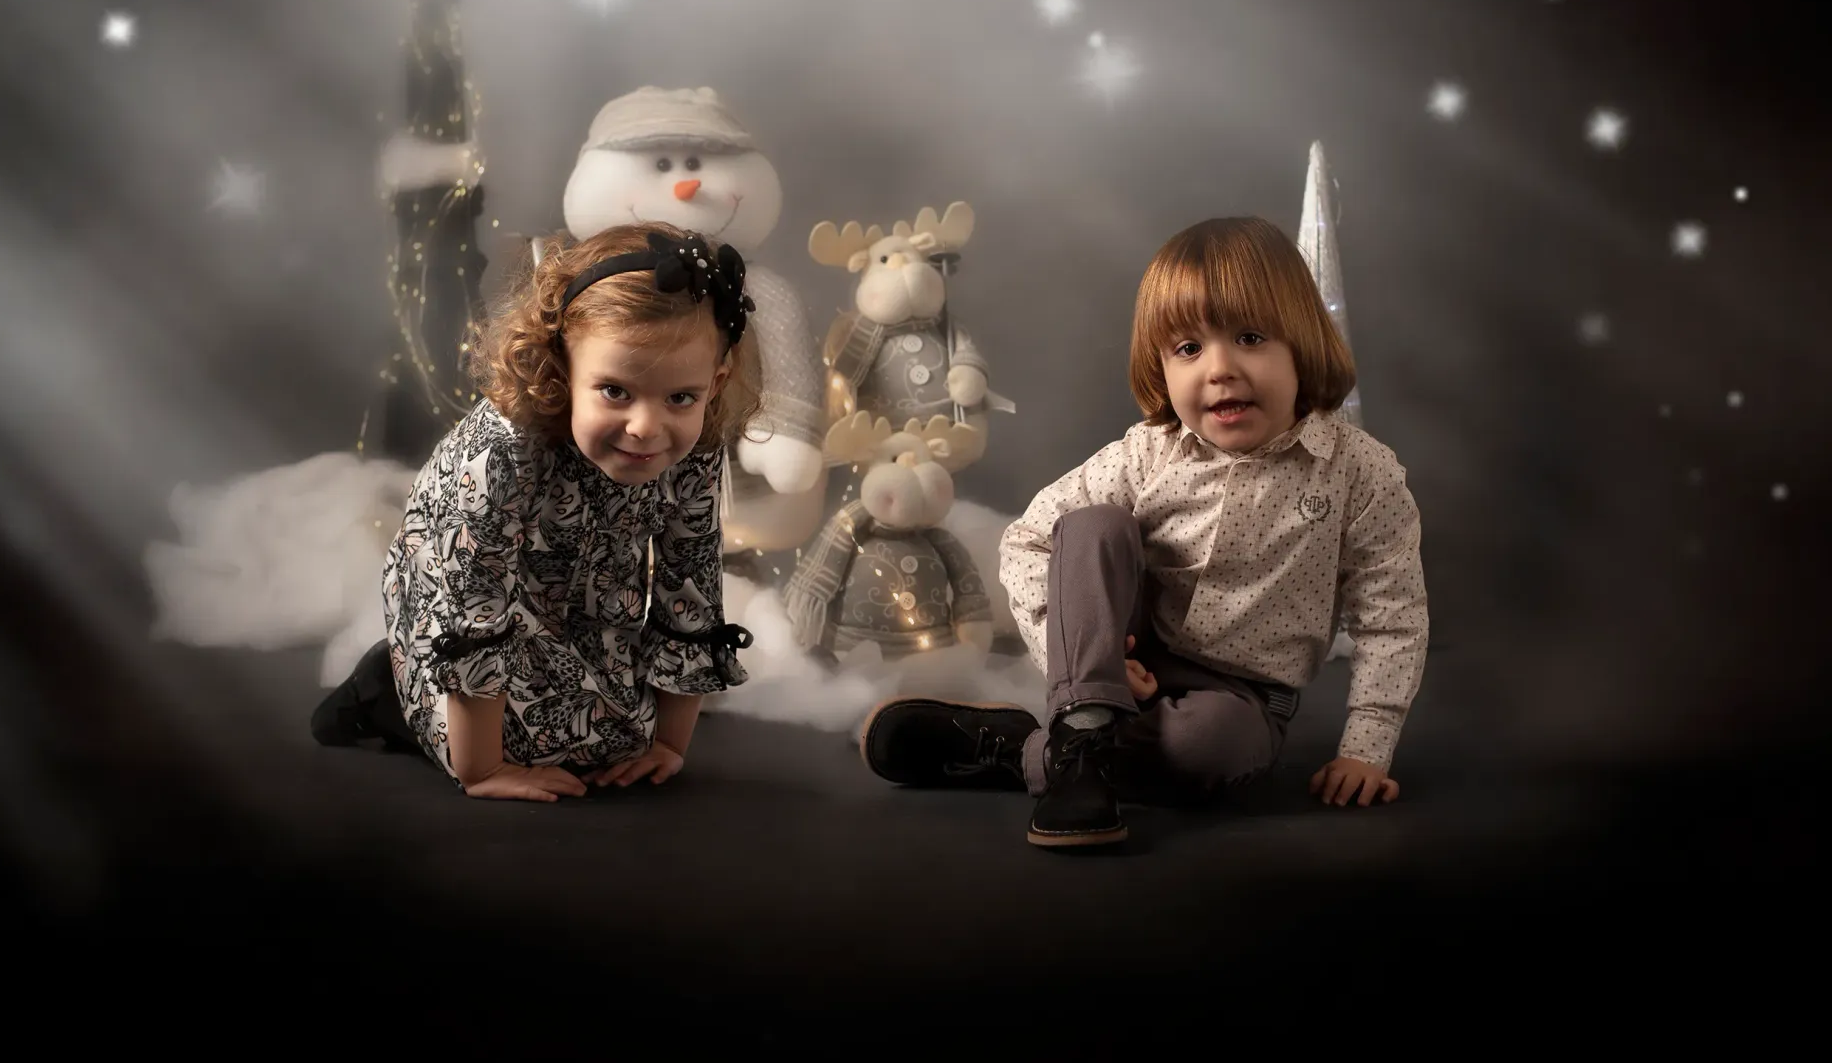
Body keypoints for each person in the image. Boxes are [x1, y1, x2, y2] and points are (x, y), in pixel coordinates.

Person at [858, 216, 1429, 847]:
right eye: (1189, 349)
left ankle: (1027, 750)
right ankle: (1083, 724)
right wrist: (1082, 665)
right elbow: (1027, 539)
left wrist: (1367, 748)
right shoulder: (1148, 455)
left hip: (1239, 699)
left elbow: (1391, 614)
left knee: (1207, 748)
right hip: (1120, 655)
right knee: (1091, 524)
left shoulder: (1359, 473)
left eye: (1249, 337)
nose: (1219, 369)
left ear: (1303, 343)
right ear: (1161, 366)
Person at [312, 222, 762, 803]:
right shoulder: (505, 450)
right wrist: (481, 771)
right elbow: (472, 598)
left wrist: (667, 745)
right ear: (562, 368)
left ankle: (537, 701)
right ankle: (388, 691)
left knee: (613, 740)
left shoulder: (695, 444)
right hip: (461, 590)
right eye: (615, 391)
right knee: (518, 742)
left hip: (589, 592)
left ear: (714, 380)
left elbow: (690, 581)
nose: (647, 428)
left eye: (681, 397)